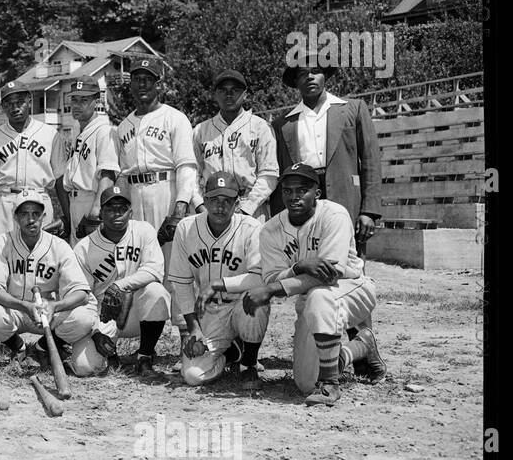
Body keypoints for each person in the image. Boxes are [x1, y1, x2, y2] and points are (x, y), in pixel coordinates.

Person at [241, 163, 387, 406]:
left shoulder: (334, 215)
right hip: (309, 300)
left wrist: (271, 290)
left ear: (316, 194)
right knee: (305, 383)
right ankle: (361, 346)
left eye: (302, 190)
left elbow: (329, 275)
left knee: (320, 295)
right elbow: (271, 276)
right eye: (288, 191)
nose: (294, 197)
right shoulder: (271, 230)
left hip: (352, 288)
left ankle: (330, 384)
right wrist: (299, 266)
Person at [114, 54, 199, 341]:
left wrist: (179, 209)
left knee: (175, 269)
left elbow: (186, 166)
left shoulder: (175, 118)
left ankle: (187, 337)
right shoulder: (123, 126)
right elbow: (122, 175)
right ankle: (139, 335)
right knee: (138, 266)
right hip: (134, 195)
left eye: (148, 80)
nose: (142, 85)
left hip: (166, 189)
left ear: (158, 84)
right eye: (137, 80)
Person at [166, 171, 269, 391]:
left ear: (237, 202)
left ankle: (248, 362)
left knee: (257, 301)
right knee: (193, 375)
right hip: (210, 313)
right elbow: (182, 284)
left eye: (226, 201)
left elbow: (260, 277)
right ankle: (232, 352)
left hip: (241, 303)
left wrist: (218, 284)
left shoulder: (251, 228)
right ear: (203, 198)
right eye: (214, 200)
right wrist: (193, 328)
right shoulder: (186, 228)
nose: (219, 207)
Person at [271, 66, 382, 256]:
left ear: (326, 76)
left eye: (315, 71)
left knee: (349, 258)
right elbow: (281, 173)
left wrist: (369, 211)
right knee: (305, 256)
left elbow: (370, 160)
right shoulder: (283, 124)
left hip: (344, 195)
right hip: (305, 196)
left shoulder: (353, 109)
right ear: (295, 82)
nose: (310, 77)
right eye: (302, 74)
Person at [0, 189, 96, 371]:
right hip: (16, 311)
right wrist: (24, 306)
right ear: (16, 217)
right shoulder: (3, 242)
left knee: (83, 318)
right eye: (24, 214)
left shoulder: (59, 246)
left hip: (49, 313)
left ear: (44, 216)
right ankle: (19, 347)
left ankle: (42, 348)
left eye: (36, 214)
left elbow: (82, 295)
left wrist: (55, 306)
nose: (31, 219)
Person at [70, 184, 171, 377]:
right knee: (85, 367)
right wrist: (95, 332)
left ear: (130, 212)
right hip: (102, 316)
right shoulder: (83, 248)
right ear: (100, 213)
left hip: (136, 312)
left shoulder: (144, 231)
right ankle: (112, 354)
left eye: (122, 209)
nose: (117, 214)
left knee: (156, 292)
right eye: (110, 208)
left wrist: (119, 285)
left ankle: (145, 357)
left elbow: (155, 269)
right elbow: (82, 297)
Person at [0, 80, 68, 239]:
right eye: (9, 104)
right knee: (3, 256)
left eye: (20, 102)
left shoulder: (49, 134)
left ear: (30, 100)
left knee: (39, 256)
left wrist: (67, 216)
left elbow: (60, 179)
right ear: (3, 107)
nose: (15, 108)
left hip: (38, 200)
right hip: (5, 201)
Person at [192, 68, 278, 221]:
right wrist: (201, 206)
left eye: (235, 90)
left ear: (245, 94)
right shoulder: (200, 130)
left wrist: (246, 209)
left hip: (251, 206)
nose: (229, 94)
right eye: (223, 90)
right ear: (215, 94)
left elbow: (269, 174)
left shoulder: (260, 127)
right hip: (212, 207)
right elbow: (192, 175)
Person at [60, 77, 119, 240]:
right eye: (74, 99)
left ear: (96, 100)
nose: (77, 105)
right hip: (75, 202)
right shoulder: (78, 131)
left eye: (84, 100)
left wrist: (96, 210)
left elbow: (108, 175)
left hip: (91, 200)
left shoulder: (104, 131)